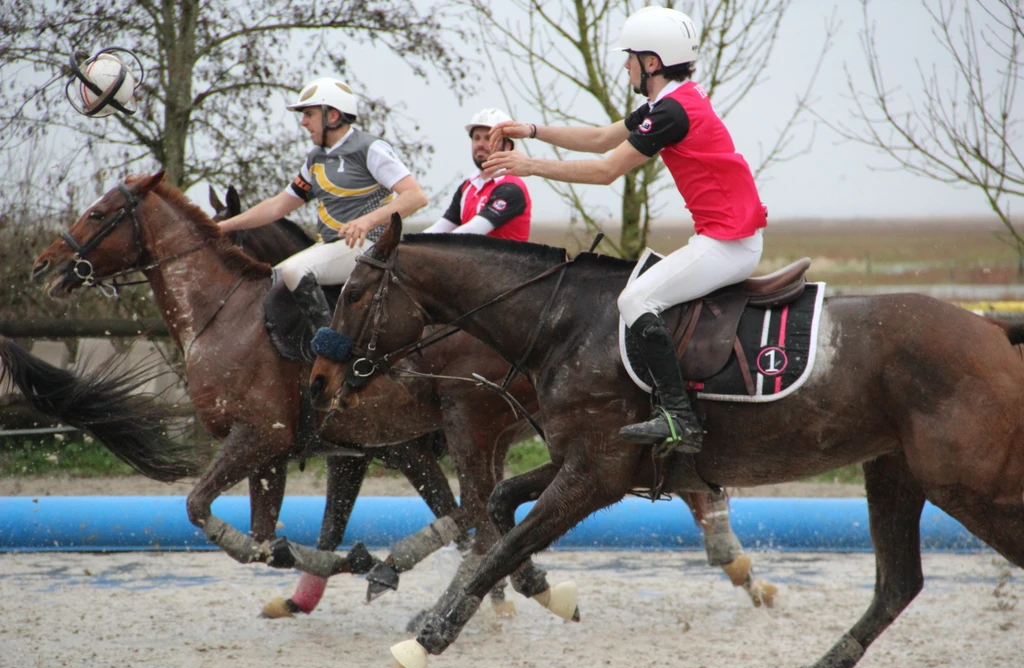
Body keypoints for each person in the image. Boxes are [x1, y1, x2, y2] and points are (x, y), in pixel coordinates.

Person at [483, 6, 767, 453]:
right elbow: (601, 138)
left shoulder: (672, 112)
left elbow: (605, 171)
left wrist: (528, 165)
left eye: (630, 57)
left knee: (636, 299)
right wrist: (533, 130)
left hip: (729, 245)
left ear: (652, 62)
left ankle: (679, 419)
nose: (625, 65)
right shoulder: (671, 102)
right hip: (722, 238)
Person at [218, 77, 428, 335]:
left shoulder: (371, 148)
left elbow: (415, 197)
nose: (303, 122)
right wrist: (221, 226)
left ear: (332, 116)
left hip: (369, 247)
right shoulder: (315, 159)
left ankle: (331, 348)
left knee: (294, 271)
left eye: (308, 114)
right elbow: (277, 207)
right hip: (331, 247)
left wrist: (367, 221)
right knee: (276, 278)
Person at [424, 108, 531, 241]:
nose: (480, 144)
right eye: (476, 138)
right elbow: (441, 227)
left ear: (508, 146)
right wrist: (407, 244)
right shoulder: (467, 186)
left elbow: (473, 231)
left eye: (488, 138)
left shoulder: (511, 188)